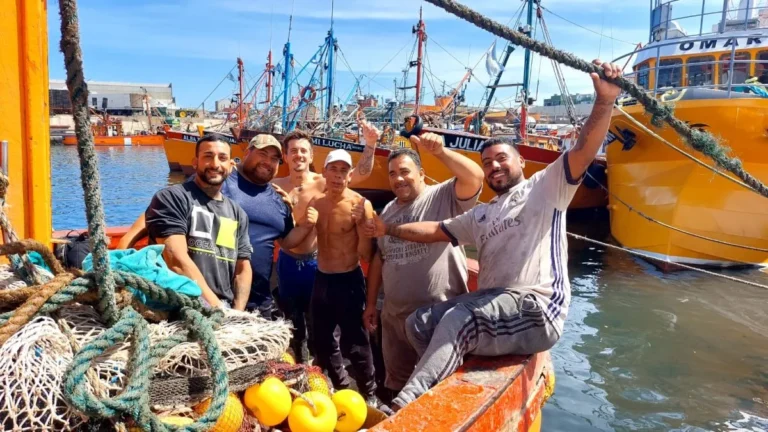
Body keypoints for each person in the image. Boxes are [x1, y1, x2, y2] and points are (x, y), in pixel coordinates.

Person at [361, 59, 623, 409]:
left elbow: (584, 150)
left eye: (501, 158)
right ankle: (448, 387)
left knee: (457, 318)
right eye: (488, 162)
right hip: (495, 307)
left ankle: (407, 403)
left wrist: (604, 101)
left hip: (535, 308)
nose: (494, 166)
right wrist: (388, 228)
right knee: (419, 324)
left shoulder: (545, 187)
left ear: (522, 164)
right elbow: (436, 230)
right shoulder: (482, 214)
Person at [359, 133, 483, 399]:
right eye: (392, 174)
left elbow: (474, 178)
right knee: (396, 385)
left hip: (438, 318)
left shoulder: (443, 197)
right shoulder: (388, 210)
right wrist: (371, 305)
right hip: (394, 319)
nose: (398, 178)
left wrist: (441, 152)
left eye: (405, 171)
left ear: (422, 173)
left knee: (441, 387)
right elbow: (380, 259)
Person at [272, 126, 377, 363]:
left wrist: (370, 145)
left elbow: (360, 172)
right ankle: (300, 360)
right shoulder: (274, 185)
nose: (298, 155)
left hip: (315, 263)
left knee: (320, 323)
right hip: (287, 261)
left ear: (311, 156)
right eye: (293, 151)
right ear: (285, 155)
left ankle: (323, 365)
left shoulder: (325, 181)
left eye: (303, 151)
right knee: (292, 318)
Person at [307, 148, 386, 410]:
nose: (338, 176)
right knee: (322, 339)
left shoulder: (361, 204)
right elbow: (302, 236)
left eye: (344, 171)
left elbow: (365, 254)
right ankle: (340, 385)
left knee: (357, 342)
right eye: (334, 169)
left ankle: (369, 390)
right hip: (322, 278)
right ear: (324, 172)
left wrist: (363, 225)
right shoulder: (315, 203)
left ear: (350, 176)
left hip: (349, 279)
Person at [144, 134, 252, 309]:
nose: (216, 164)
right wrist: (217, 308)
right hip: (178, 305)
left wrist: (238, 312)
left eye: (222, 158)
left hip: (223, 306)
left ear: (231, 166)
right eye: (208, 156)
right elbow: (176, 260)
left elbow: (242, 267)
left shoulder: (237, 213)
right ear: (195, 162)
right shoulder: (172, 198)